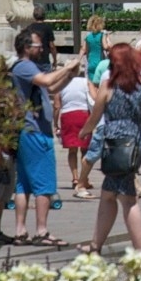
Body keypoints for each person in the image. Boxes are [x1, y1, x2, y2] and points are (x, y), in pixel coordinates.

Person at [81, 41, 141, 255]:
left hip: (116, 145)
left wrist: (84, 132)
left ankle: (140, 251)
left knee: (127, 198)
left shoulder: (108, 86)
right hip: (136, 142)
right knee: (109, 193)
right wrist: (133, 122)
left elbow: (95, 116)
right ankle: (95, 245)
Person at [3, 28, 78, 246]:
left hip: (28, 130)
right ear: (26, 48)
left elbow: (52, 87)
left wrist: (68, 75)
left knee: (23, 184)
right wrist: (65, 67)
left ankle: (20, 230)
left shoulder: (27, 68)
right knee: (44, 184)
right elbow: (46, 81)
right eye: (37, 46)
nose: (42, 49)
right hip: (35, 131)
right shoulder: (25, 66)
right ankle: (42, 231)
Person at [58, 64, 94, 198]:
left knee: (72, 149)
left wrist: (56, 123)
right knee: (85, 149)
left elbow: (57, 105)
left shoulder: (62, 83)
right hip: (83, 115)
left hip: (67, 115)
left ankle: (75, 177)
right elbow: (94, 97)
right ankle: (84, 179)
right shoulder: (86, 82)